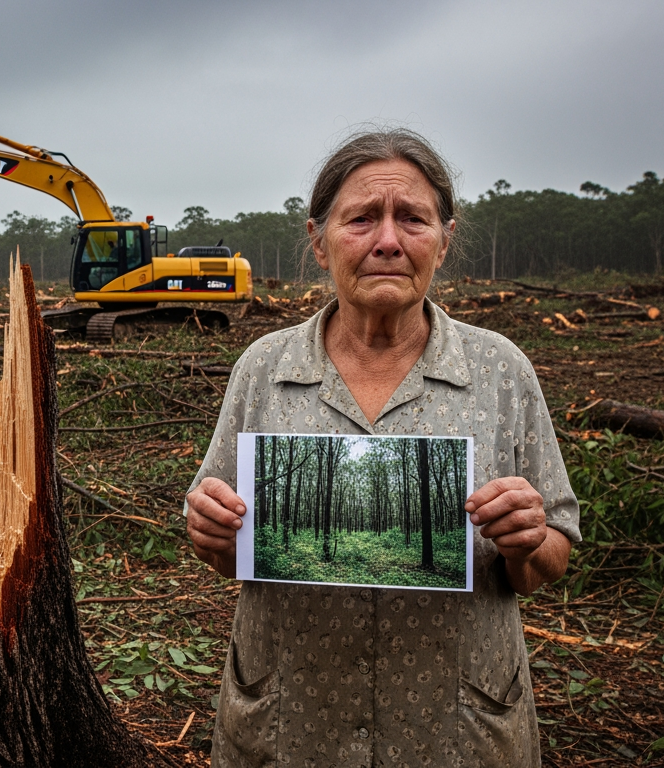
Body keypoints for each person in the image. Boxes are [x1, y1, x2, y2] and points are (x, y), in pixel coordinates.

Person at [184, 129, 579, 767]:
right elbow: (227, 550)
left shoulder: (502, 370)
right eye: (362, 218)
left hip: (455, 728)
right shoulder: (263, 367)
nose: (387, 241)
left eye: (413, 219)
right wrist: (212, 530)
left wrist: (528, 539)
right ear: (318, 240)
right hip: (293, 724)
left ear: (445, 240)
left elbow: (550, 554)